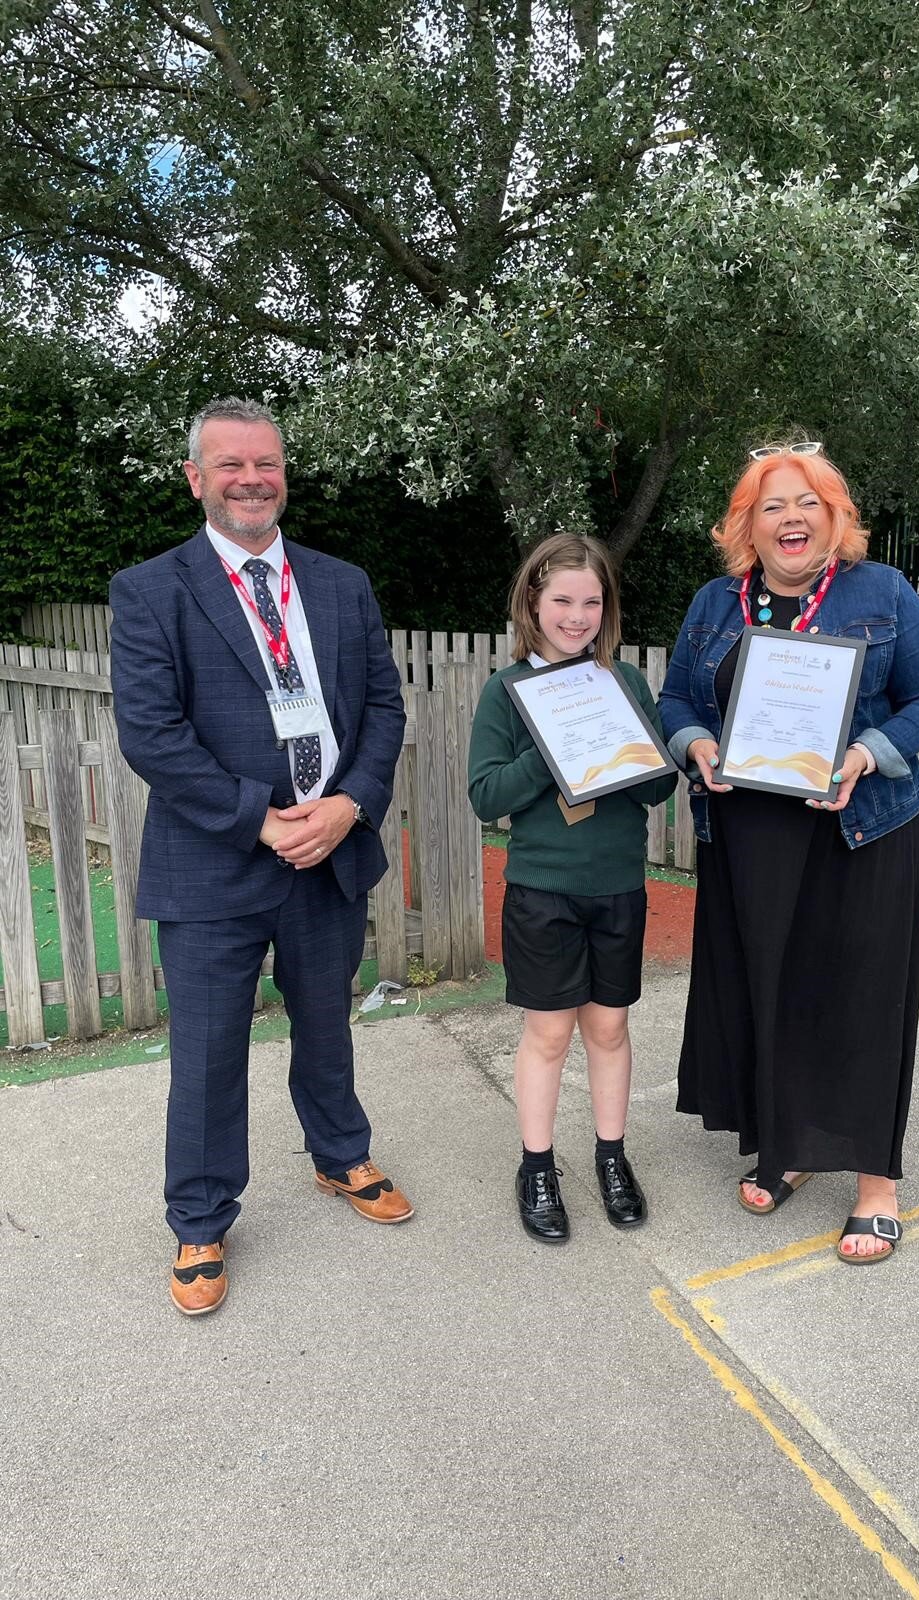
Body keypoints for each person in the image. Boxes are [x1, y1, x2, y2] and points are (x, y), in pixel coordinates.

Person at [110, 397, 410, 1316]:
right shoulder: (151, 589)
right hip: (216, 864)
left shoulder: (339, 583)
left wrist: (350, 804)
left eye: (267, 464)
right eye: (231, 465)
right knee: (206, 1052)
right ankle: (200, 1218)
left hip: (330, 850)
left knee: (327, 1022)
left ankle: (339, 1156)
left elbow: (384, 707)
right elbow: (152, 736)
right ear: (196, 478)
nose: (252, 479)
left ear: (285, 474)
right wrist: (263, 821)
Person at [659, 442, 919, 1263]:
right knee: (773, 993)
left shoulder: (884, 592)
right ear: (746, 526)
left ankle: (875, 1184)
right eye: (772, 506)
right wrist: (695, 743)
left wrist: (866, 752)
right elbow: (677, 697)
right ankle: (788, 1148)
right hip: (750, 837)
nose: (790, 518)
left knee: (863, 999)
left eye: (807, 504)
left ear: (834, 517)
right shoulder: (716, 603)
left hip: (859, 832)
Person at [467, 535, 677, 1244]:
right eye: (562, 600)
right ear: (534, 601)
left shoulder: (626, 683)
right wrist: (550, 748)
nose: (577, 615)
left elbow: (656, 786)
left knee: (610, 1027)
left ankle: (612, 1157)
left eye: (592, 601)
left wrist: (630, 745)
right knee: (550, 1033)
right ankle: (536, 1166)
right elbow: (485, 793)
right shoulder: (507, 691)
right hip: (543, 887)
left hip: (615, 882)